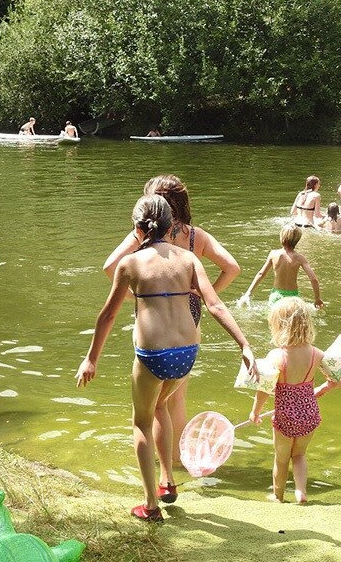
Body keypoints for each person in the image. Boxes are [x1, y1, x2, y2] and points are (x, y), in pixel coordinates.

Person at [77, 195, 258, 522]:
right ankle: (168, 481)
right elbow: (215, 305)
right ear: (169, 224)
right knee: (161, 407)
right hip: (187, 355)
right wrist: (244, 345)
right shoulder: (189, 259)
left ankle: (150, 505)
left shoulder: (130, 263)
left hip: (152, 355)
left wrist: (91, 359)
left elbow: (107, 316)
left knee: (141, 421)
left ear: (137, 227)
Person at [104, 175, 241, 464]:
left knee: (149, 400)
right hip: (187, 318)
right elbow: (232, 268)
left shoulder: (142, 235)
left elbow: (109, 267)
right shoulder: (195, 237)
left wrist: (133, 296)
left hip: (152, 320)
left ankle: (156, 459)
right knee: (175, 399)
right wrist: (204, 293)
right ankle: (178, 461)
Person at [249, 297, 340, 503]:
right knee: (299, 455)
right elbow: (335, 380)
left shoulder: (276, 356)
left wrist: (255, 411)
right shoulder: (317, 353)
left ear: (278, 326)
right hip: (310, 414)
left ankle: (278, 496)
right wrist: (324, 388)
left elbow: (264, 389)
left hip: (285, 417)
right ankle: (301, 492)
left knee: (281, 460)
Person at [237, 225, 324, 309]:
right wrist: (317, 299)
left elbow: (261, 274)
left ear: (282, 237)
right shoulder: (300, 258)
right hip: (293, 297)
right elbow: (313, 279)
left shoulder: (273, 254)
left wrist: (248, 293)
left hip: (276, 296)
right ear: (297, 240)